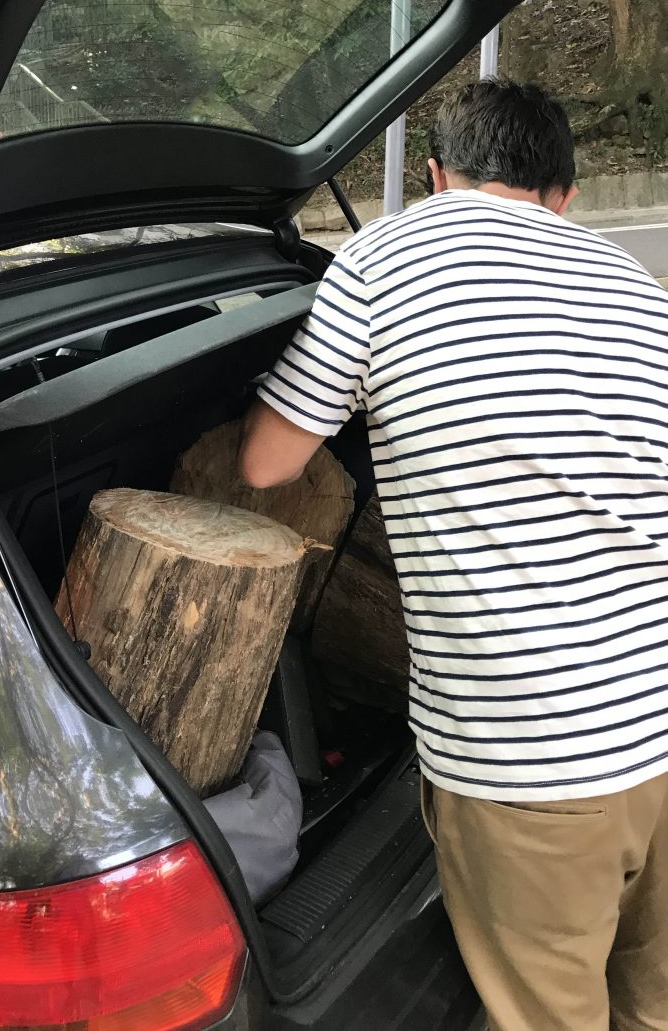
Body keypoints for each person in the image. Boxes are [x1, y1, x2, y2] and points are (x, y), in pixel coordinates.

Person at [238, 79, 668, 1031]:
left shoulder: (386, 256)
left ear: (436, 175)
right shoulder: (636, 284)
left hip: (534, 759)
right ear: (565, 195)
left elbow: (266, 464)